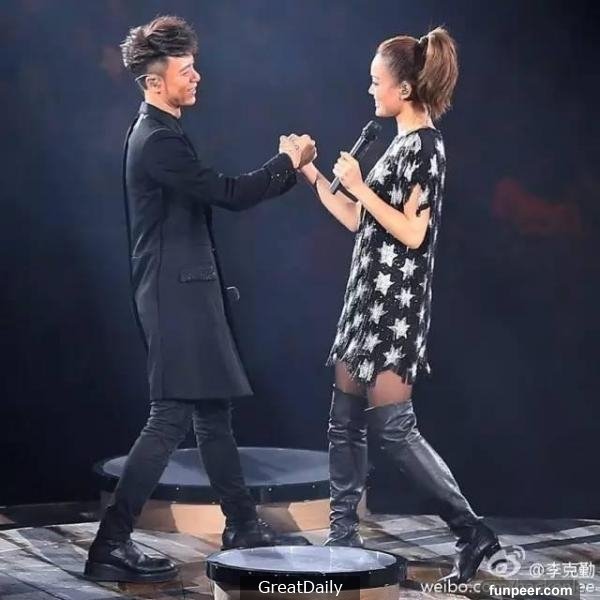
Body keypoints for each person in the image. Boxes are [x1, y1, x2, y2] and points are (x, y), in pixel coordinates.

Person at [84, 16, 315, 584]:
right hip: (174, 296)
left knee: (213, 414)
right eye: (185, 70)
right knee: (169, 418)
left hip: (184, 291)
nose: (197, 77)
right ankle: (109, 545)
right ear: (155, 81)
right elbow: (227, 193)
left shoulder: (161, 132)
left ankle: (242, 525)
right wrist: (287, 164)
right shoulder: (157, 141)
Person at [299, 27, 501, 583]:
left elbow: (413, 233)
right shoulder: (397, 143)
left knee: (392, 428)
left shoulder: (427, 148)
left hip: (394, 307)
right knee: (344, 421)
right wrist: (313, 173)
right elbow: (356, 220)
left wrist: (360, 186)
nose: (370, 90)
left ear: (405, 89)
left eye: (376, 81)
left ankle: (471, 531)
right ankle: (342, 536)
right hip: (363, 299)